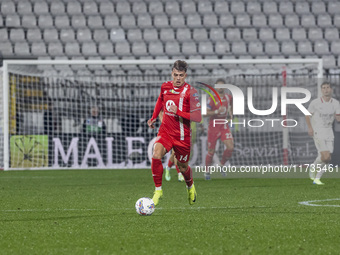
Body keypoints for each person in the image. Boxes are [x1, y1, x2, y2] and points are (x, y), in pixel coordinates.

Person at [147, 60, 202, 206]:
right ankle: (158, 190)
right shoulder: (165, 86)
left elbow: (198, 117)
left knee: (183, 167)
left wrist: (178, 112)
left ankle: (190, 186)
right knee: (156, 154)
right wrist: (153, 117)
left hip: (182, 136)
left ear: (186, 76)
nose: (178, 78)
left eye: (181, 75)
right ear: (172, 73)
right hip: (166, 131)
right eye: (175, 75)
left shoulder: (191, 92)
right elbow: (160, 100)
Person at [306, 82, 340, 185]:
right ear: (321, 90)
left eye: (328, 88)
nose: (326, 90)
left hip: (329, 131)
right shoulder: (315, 103)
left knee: (327, 158)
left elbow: (338, 117)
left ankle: (317, 178)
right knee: (325, 156)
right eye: (324, 88)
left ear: (331, 90)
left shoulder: (336, 103)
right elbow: (307, 115)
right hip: (318, 130)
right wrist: (310, 128)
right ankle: (313, 168)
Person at [204, 79, 234, 180]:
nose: (220, 87)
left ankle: (221, 165)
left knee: (230, 147)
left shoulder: (228, 97)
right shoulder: (211, 99)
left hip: (224, 126)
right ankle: (207, 171)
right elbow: (205, 113)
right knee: (211, 151)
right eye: (218, 85)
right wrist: (216, 111)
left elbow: (231, 106)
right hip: (213, 126)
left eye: (222, 85)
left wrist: (231, 116)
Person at [159, 110, 185, 182]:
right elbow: (159, 111)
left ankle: (168, 168)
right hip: (170, 130)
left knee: (175, 153)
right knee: (176, 152)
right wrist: (163, 122)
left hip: (180, 129)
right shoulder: (164, 100)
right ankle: (179, 174)